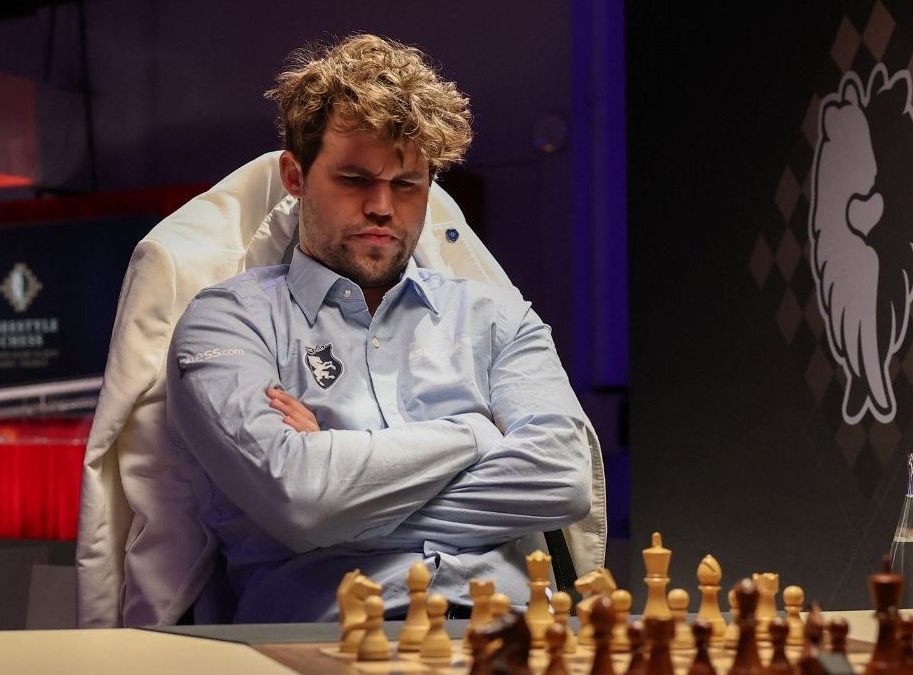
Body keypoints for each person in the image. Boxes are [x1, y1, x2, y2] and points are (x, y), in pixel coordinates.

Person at [165, 34, 593, 623]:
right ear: (295, 176)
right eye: (353, 179)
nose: (382, 207)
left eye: (406, 185)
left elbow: (562, 482)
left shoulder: (498, 316)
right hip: (322, 645)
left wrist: (342, 503)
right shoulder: (228, 321)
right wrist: (472, 432)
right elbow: (302, 501)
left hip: (508, 636)